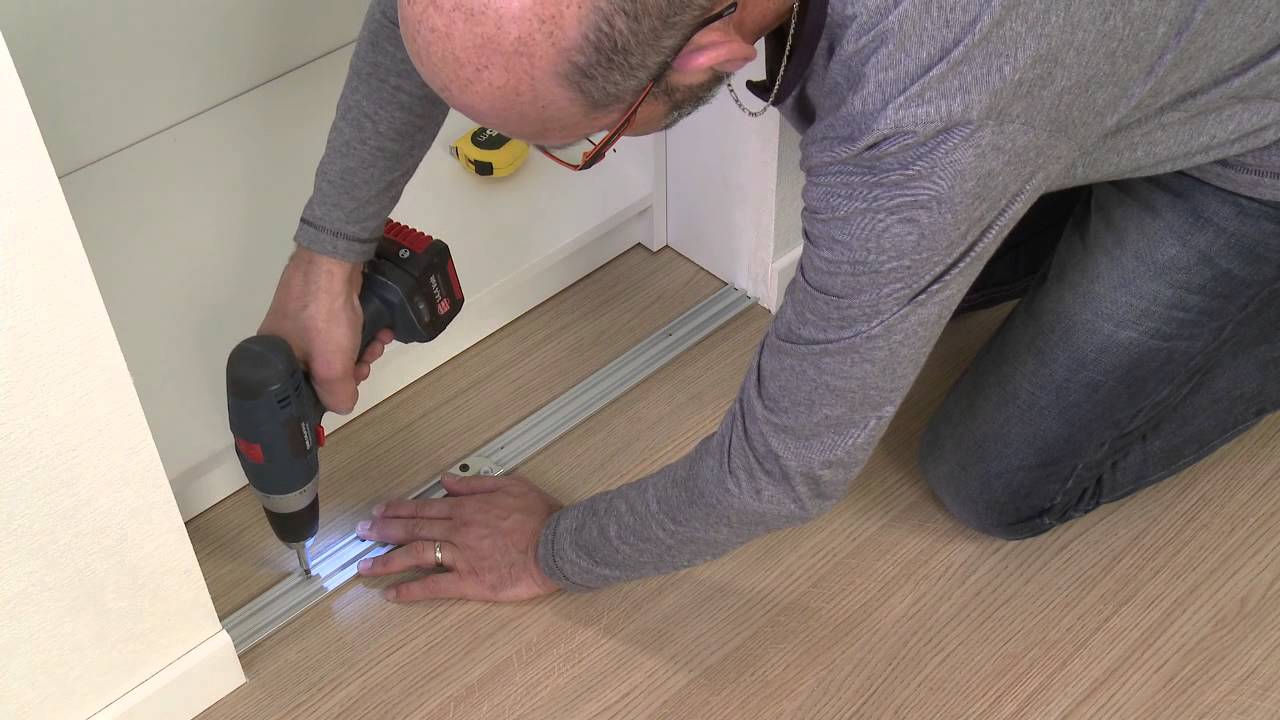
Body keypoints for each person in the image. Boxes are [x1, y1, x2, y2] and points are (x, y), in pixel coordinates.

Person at [259, 0, 1280, 602]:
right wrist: (324, 257)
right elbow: (466, 23)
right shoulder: (937, 117)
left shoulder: (926, 103)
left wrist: (550, 552)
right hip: (1093, 61)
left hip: (1247, 147)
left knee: (990, 480)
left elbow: (783, 473)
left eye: (577, 137)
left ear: (709, 54)